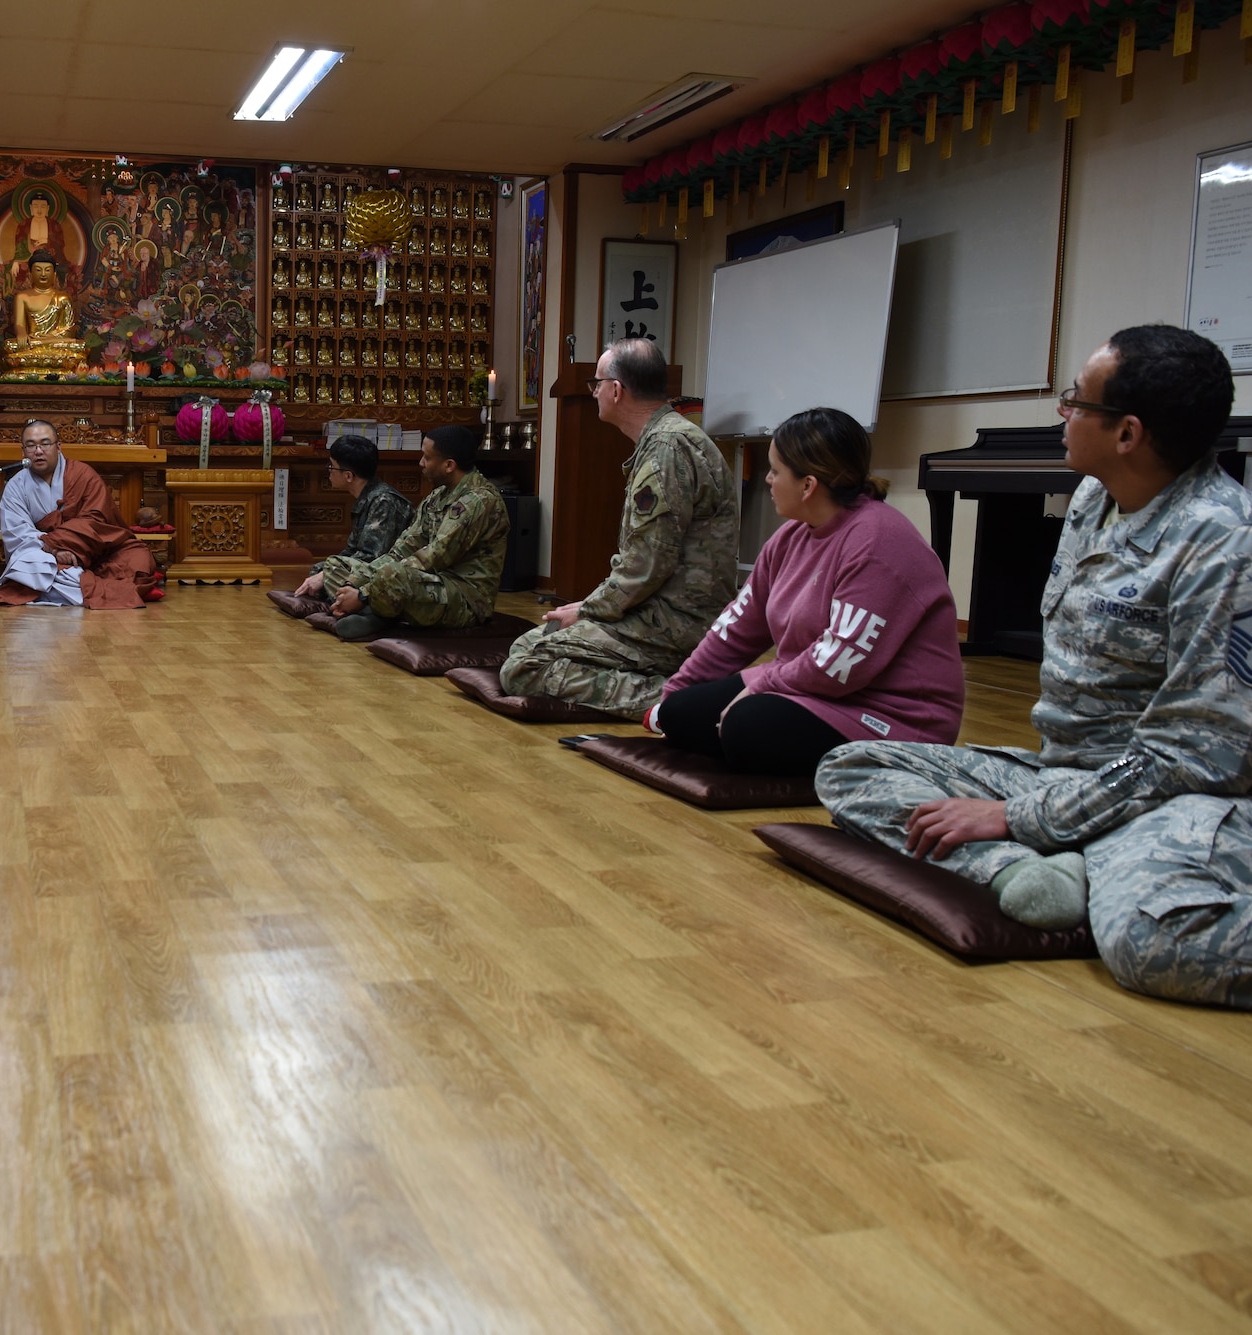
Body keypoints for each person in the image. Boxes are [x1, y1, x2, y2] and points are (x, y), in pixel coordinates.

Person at [817, 326, 1252, 1008]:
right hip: (1063, 773)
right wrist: (1024, 820)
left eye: (1076, 400)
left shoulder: (1223, 542)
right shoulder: (1091, 498)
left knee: (1150, 943)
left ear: (1127, 434)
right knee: (848, 766)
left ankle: (1078, 863)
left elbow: (1190, 754)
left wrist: (1022, 816)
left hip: (1167, 800)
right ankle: (1039, 871)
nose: (1064, 412)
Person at [651, 407, 964, 775]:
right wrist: (675, 692)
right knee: (680, 713)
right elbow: (736, 628)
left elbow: (839, 664)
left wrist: (762, 684)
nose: (767, 480)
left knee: (745, 727)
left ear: (808, 485)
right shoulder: (790, 537)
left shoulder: (879, 542)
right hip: (815, 690)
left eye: (775, 470)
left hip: (892, 717)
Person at [497, 338, 737, 716]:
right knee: (532, 643)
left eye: (596, 384)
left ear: (616, 389)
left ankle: (679, 699)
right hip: (661, 612)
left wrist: (589, 611)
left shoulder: (667, 448)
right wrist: (590, 607)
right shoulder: (668, 439)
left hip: (674, 623)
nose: (594, 393)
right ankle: (680, 680)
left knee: (525, 665)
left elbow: (646, 565)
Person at [315, 424, 509, 640]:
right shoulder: (437, 497)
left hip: (463, 598)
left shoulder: (478, 501)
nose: (421, 463)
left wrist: (364, 593)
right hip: (423, 583)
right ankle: (378, 613)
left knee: (392, 576)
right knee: (335, 566)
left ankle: (372, 611)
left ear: (449, 465)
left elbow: (434, 557)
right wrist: (355, 581)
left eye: (427, 458)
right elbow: (403, 549)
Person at [0, 420, 161, 609]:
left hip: (95, 551)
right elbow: (18, 532)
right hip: (45, 554)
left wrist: (69, 545)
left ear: (58, 447)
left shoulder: (83, 475)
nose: (38, 451)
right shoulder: (16, 486)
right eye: (31, 445)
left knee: (139, 557)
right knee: (28, 564)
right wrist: (54, 549)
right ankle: (82, 585)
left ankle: (62, 590)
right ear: (23, 451)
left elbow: (98, 521)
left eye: (45, 444)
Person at [283, 433, 416, 617]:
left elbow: (372, 557)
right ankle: (347, 604)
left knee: (329, 571)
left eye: (332, 466)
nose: (328, 471)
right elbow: (351, 551)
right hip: (368, 569)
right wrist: (324, 572)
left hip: (391, 574)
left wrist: (326, 575)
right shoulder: (368, 498)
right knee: (322, 568)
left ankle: (365, 611)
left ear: (348, 476)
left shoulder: (384, 501)